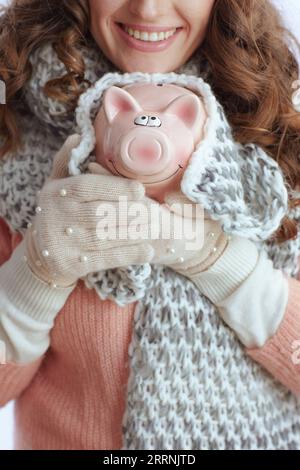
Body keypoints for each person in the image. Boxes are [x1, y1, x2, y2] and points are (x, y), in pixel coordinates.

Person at [0, 0, 300, 450]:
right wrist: (37, 272)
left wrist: (221, 262)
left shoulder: (277, 129)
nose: (149, 8)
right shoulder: (13, 133)